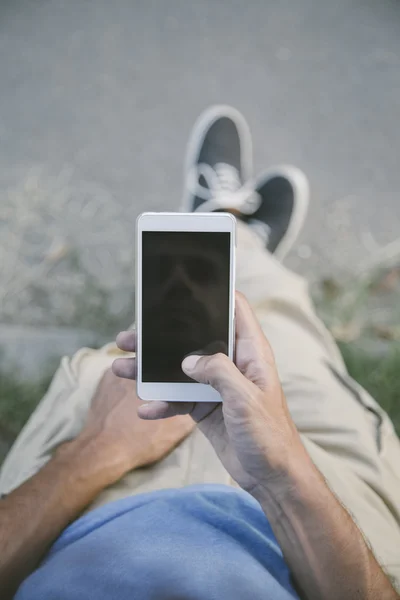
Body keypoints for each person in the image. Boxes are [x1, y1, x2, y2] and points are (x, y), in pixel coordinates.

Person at [0, 105, 399, 600]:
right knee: (274, 323)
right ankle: (238, 239)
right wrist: (280, 476)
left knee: (162, 322)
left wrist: (95, 450)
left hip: (78, 514)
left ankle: (211, 226)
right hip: (308, 534)